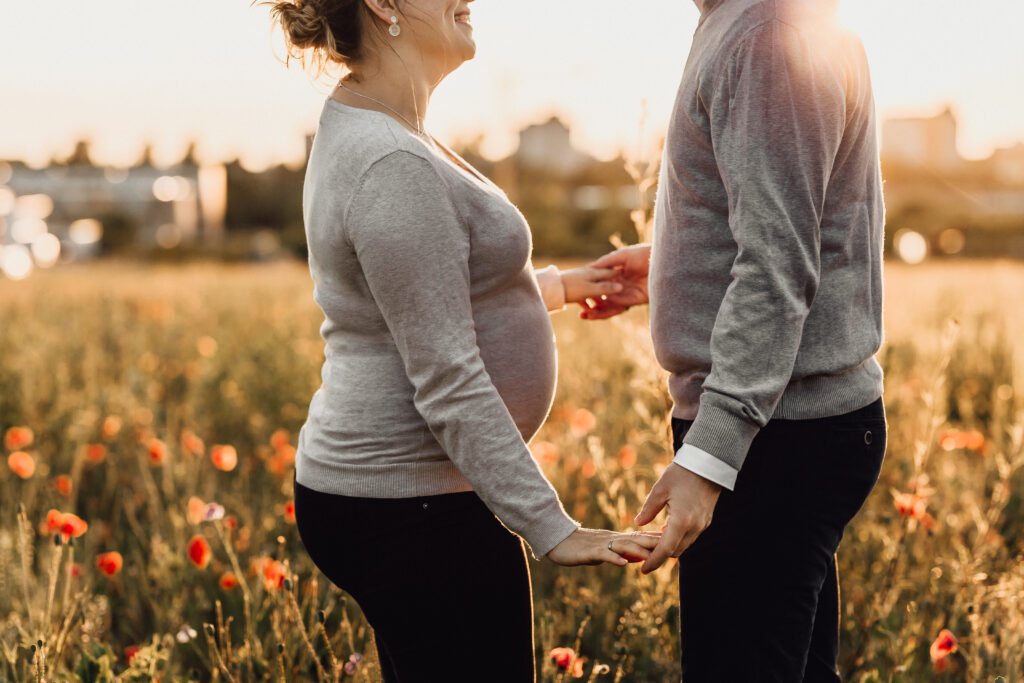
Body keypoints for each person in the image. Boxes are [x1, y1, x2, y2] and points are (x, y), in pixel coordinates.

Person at [269, 1, 660, 680]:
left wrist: (563, 286)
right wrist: (554, 529)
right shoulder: (391, 161)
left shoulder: (376, 123)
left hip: (396, 498)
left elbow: (419, 304)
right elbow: (446, 374)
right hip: (410, 507)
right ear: (384, 6)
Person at [586, 0, 888, 679]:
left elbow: (778, 266)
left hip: (776, 438)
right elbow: (794, 221)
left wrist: (710, 456)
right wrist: (674, 267)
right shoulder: (753, 22)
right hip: (783, 427)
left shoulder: (765, 34)